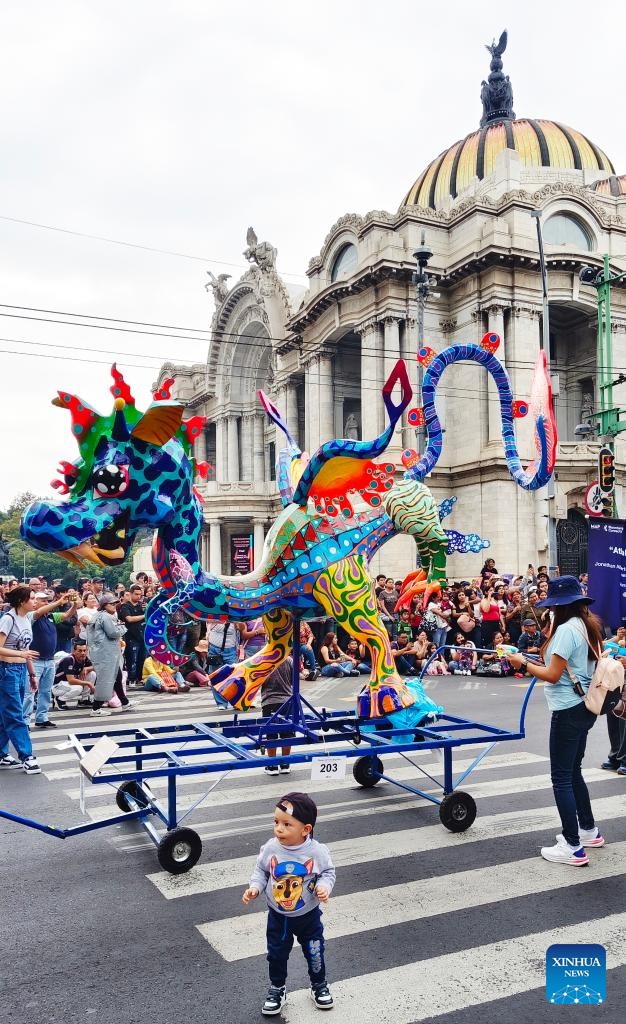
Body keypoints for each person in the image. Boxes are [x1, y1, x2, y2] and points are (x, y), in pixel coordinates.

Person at [508, 576, 606, 866]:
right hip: (584, 708)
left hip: (568, 710)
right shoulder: (587, 626)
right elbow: (562, 668)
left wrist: (522, 663)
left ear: (558, 607)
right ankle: (588, 831)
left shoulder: (565, 631)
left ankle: (573, 846)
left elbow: (552, 675)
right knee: (573, 771)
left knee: (561, 777)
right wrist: (526, 658)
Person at [242, 792, 335, 1014]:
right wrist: (255, 887)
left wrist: (324, 886)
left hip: (308, 916)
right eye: (276, 822)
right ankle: (277, 988)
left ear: (305, 830)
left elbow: (328, 872)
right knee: (276, 954)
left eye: (286, 824)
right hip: (278, 917)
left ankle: (319, 985)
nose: (279, 829)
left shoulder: (316, 852)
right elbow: (262, 871)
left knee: (315, 951)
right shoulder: (271, 848)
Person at [0, 586, 41, 774]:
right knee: (15, 714)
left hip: (20, 668)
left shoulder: (26, 619)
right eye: (31, 598)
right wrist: (21, 654)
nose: (35, 601)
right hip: (6, 670)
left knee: (5, 714)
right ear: (21, 601)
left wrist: (32, 674)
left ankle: (1, 753)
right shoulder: (8, 619)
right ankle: (26, 756)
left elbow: (27, 651)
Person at [25, 589, 79, 729]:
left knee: (46, 691)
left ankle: (41, 717)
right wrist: (58, 602)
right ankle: (24, 721)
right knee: (30, 692)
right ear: (34, 603)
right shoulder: (31, 615)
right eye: (43, 600)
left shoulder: (50, 616)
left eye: (47, 600)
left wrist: (74, 605)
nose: (46, 602)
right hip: (35, 660)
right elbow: (38, 613)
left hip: (49, 659)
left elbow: (67, 615)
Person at [86, 593, 131, 717]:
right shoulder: (106, 617)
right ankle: (96, 708)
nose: (114, 606)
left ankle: (125, 702)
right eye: (112, 604)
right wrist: (122, 627)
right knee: (105, 680)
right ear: (104, 605)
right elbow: (113, 633)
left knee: (117, 676)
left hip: (103, 652)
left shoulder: (98, 615)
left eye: (115, 603)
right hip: (106, 653)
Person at [262, 656, 295, 775]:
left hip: (269, 701)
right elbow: (294, 680)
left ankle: (272, 766)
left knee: (271, 733)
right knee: (287, 733)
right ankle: (285, 764)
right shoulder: (289, 660)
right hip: (287, 700)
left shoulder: (265, 659)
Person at [206, 618, 245, 708]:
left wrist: (235, 621)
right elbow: (208, 622)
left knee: (235, 676)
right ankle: (221, 703)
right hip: (214, 649)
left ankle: (236, 701)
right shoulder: (213, 615)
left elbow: (242, 627)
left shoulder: (235, 617)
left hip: (230, 650)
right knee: (215, 676)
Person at [118, 584, 146, 687]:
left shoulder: (141, 605)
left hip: (142, 636)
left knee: (141, 658)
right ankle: (131, 679)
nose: (139, 597)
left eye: (140, 595)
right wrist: (144, 615)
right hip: (131, 637)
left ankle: (140, 678)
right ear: (130, 594)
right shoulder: (125, 606)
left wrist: (146, 610)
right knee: (132, 659)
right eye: (136, 594)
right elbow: (129, 619)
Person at [53, 641, 96, 708]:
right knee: (78, 688)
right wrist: (88, 683)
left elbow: (95, 667)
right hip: (58, 686)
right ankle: (60, 700)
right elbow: (71, 680)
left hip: (68, 684)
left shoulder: (84, 658)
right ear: (74, 651)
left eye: (84, 650)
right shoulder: (69, 660)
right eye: (80, 651)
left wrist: (87, 668)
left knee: (92, 674)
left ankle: (84, 700)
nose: (83, 653)